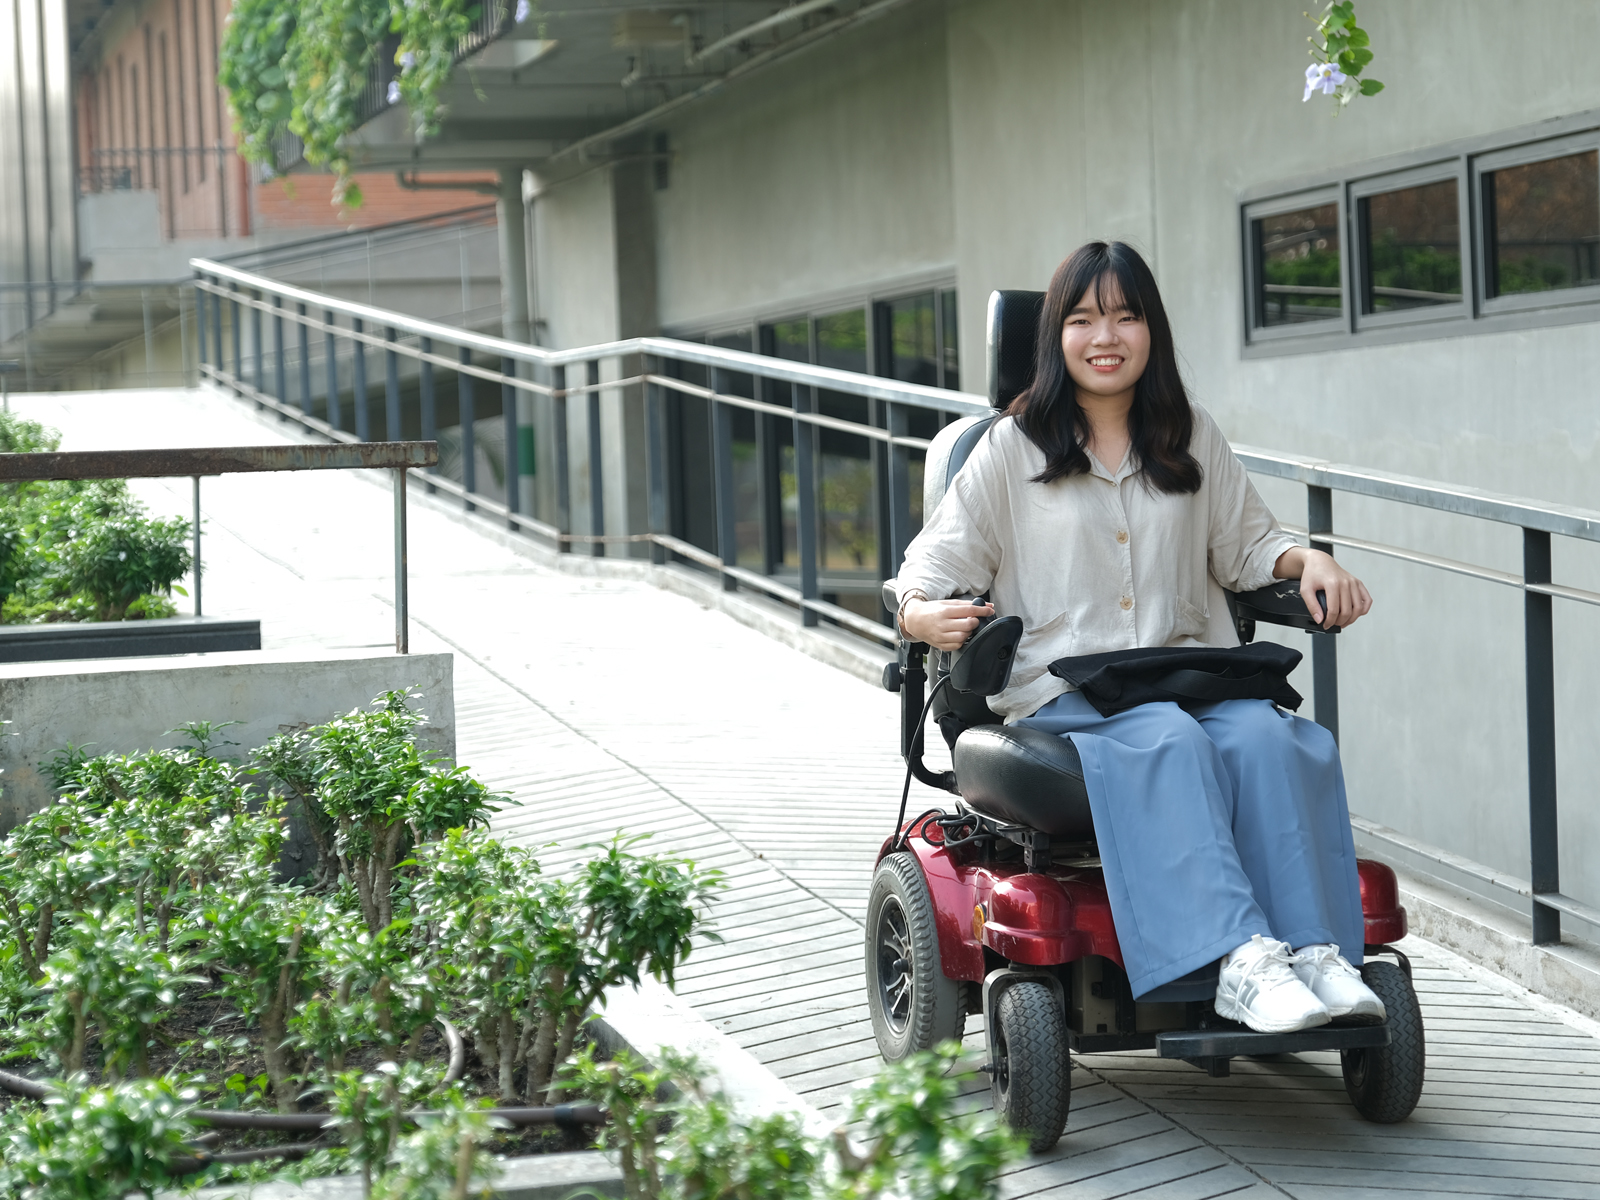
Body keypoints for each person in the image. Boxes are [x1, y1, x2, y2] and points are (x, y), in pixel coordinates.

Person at [894, 242, 1382, 1034]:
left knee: (1273, 736)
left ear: (1151, 330)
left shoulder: (1189, 436)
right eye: (1083, 319)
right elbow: (928, 567)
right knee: (1164, 739)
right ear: (1055, 336)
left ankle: (1315, 950)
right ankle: (1239, 960)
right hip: (1068, 695)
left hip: (1192, 679)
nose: (1105, 336)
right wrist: (920, 614)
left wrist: (1308, 558)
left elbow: (1247, 546)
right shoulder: (1010, 451)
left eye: (1125, 315)